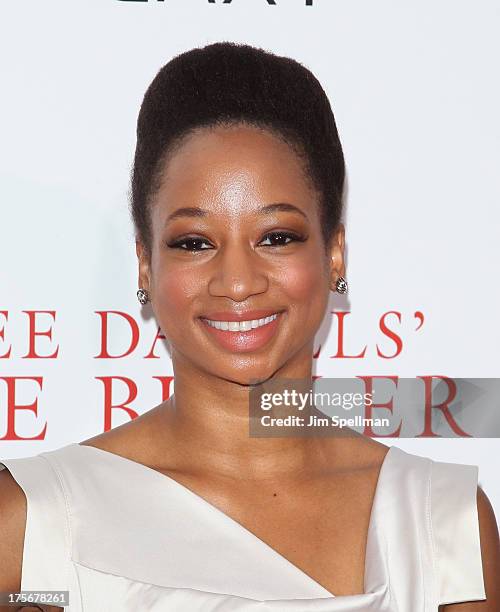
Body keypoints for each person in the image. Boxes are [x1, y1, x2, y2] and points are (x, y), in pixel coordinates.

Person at [1, 41, 499, 612]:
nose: (237, 282)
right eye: (194, 242)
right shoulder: (30, 525)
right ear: (146, 263)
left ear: (334, 254)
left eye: (277, 237)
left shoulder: (441, 522)